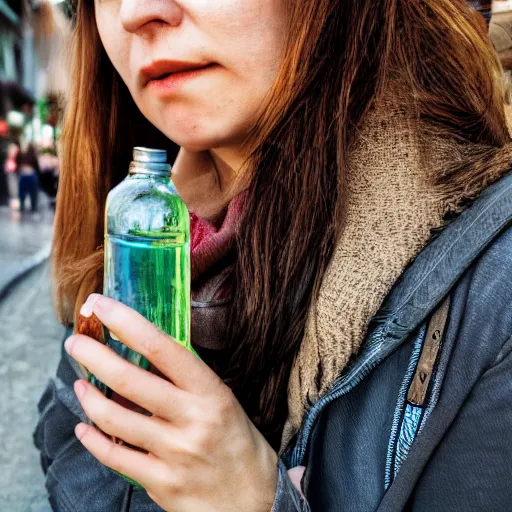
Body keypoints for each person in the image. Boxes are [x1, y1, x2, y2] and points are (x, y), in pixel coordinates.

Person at [35, 0, 512, 510]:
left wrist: (255, 501)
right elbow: (63, 442)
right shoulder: (132, 229)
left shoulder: (494, 289)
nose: (136, 12)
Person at [16, 142, 40, 215]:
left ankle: (22, 206)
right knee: (33, 193)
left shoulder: (22, 155)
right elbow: (37, 168)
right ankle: (33, 208)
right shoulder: (34, 156)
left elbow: (18, 163)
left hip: (23, 175)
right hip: (31, 175)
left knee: (22, 193)